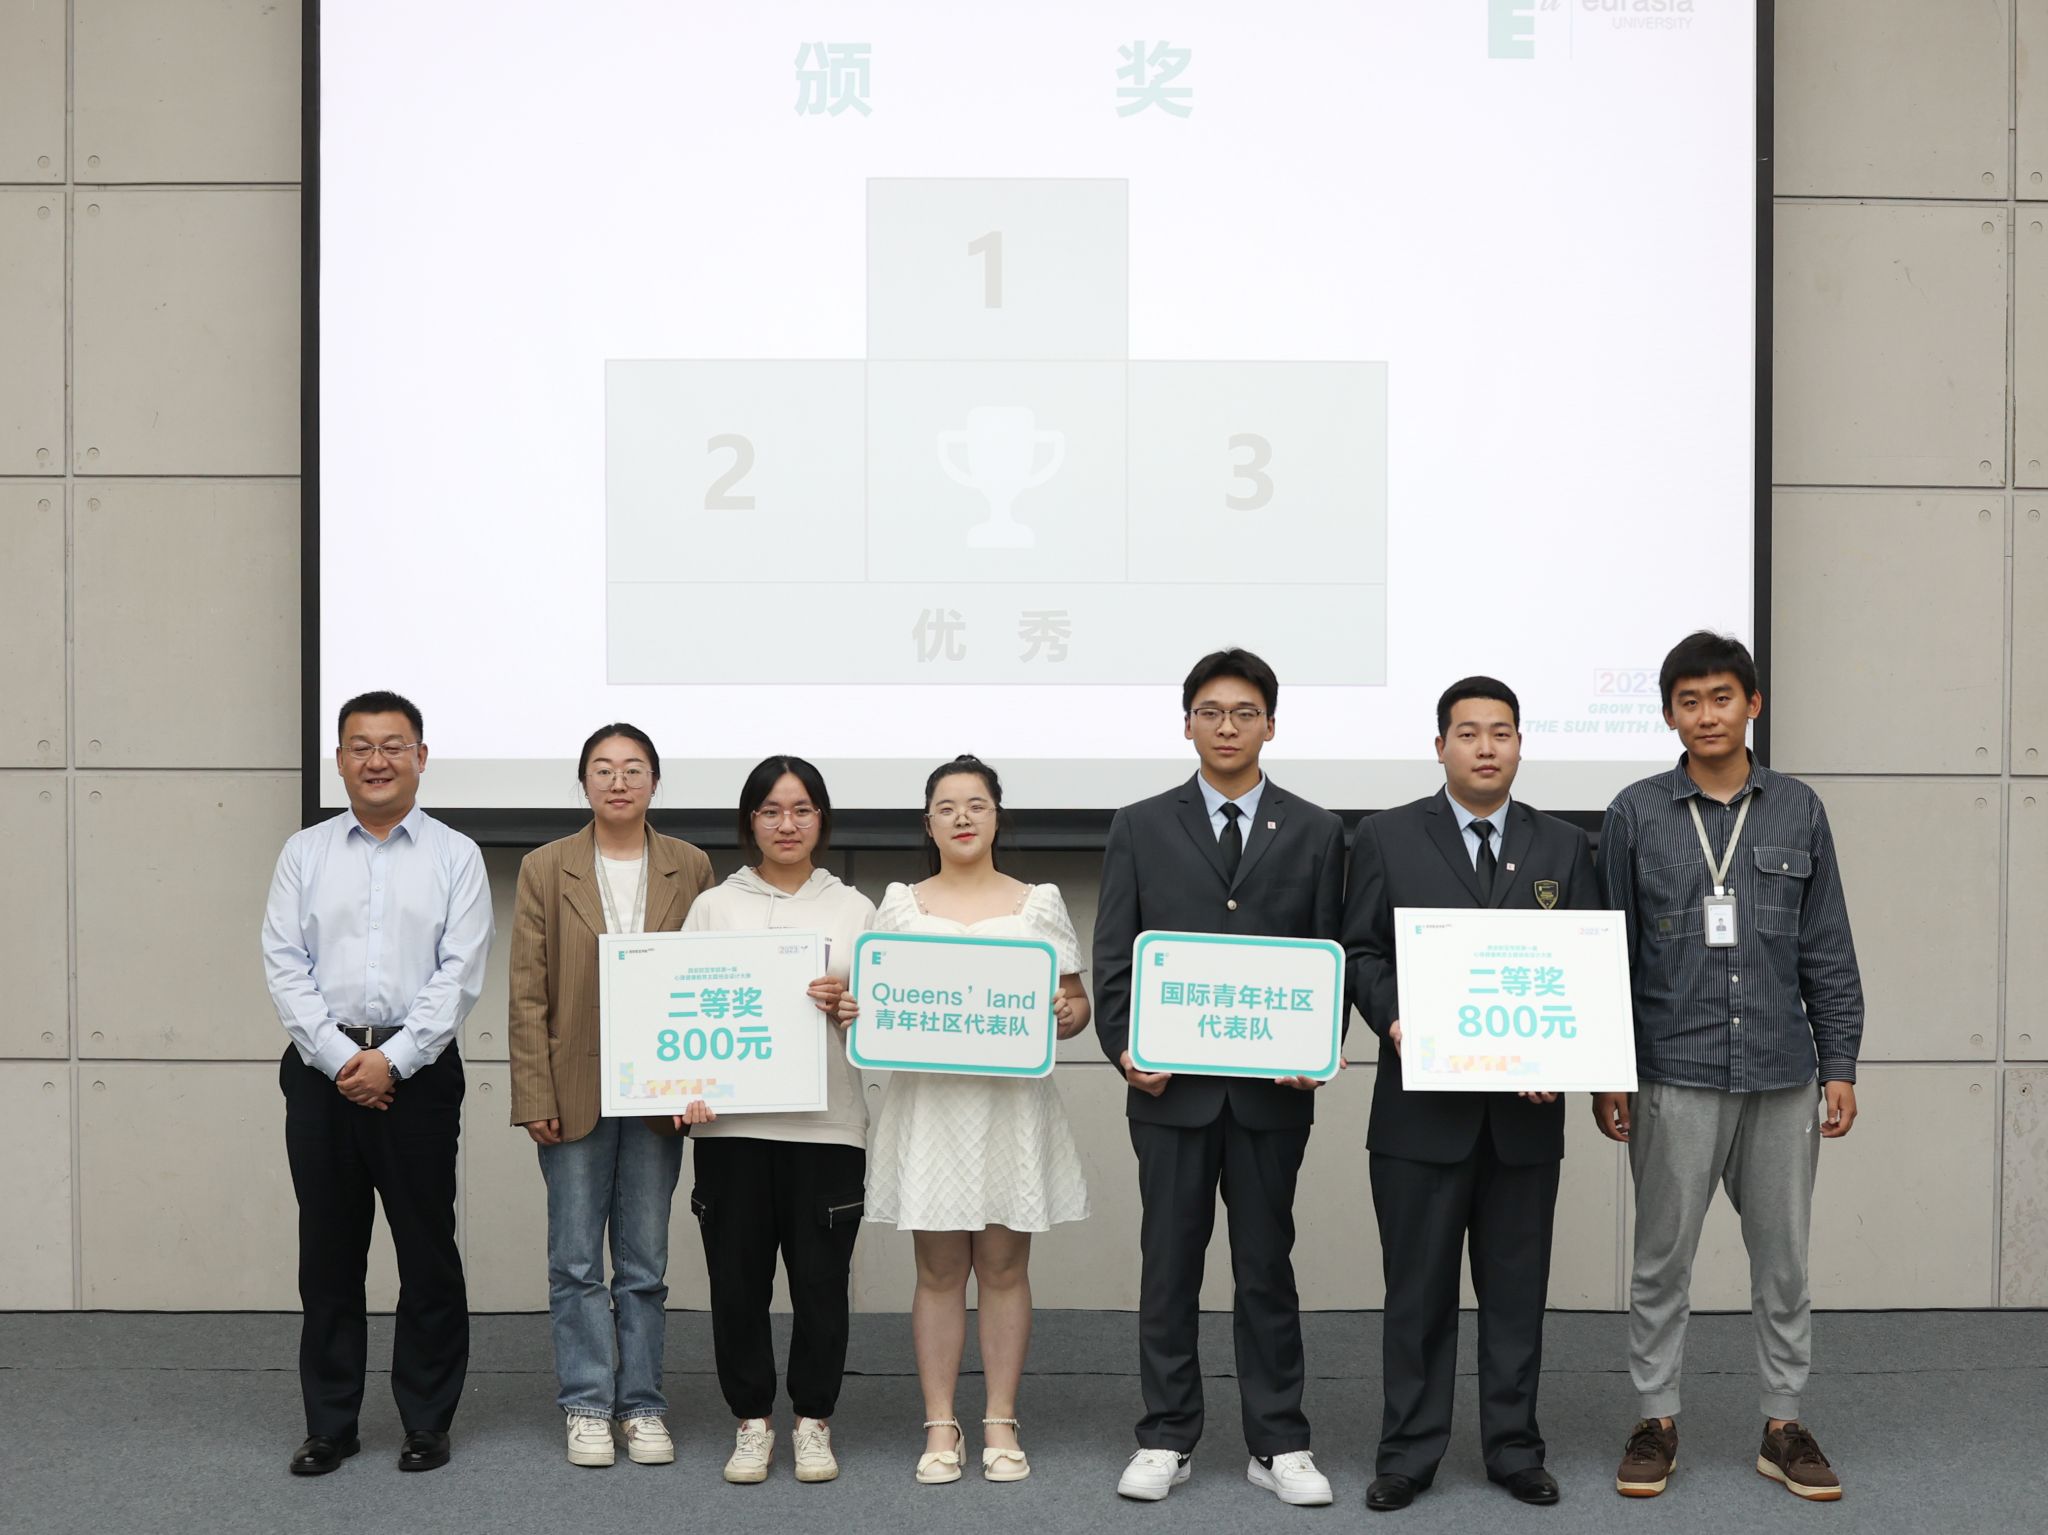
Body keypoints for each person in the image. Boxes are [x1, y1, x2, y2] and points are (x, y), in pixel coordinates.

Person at [1595, 632, 1863, 1503]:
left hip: (1782, 1073)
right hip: (1672, 1071)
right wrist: (1608, 1070)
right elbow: (1609, 956)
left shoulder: (1798, 809)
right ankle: (1656, 1420)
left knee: (1783, 1262)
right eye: (1688, 701)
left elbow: (1827, 947)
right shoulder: (1634, 812)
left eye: (1721, 697)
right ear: (1668, 714)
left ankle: (1784, 1423)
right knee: (1660, 1260)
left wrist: (1839, 1061)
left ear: (1753, 703)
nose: (1706, 714)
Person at [1093, 649, 1346, 1508]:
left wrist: (1317, 1047)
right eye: (1210, 711)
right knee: (1168, 1266)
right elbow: (1115, 955)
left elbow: (1328, 956)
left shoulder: (1316, 829)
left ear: (1270, 723)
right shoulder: (1140, 824)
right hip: (1170, 1093)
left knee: (1266, 1265)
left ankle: (1279, 1440)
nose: (1227, 726)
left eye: (1243, 712)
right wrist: (1124, 1049)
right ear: (1187, 723)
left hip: (1271, 1095)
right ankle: (1166, 1435)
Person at [1341, 677, 1599, 1512]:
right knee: (1416, 1294)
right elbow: (1361, 952)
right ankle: (1407, 1453)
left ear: (1520, 744)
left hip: (1524, 1118)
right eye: (1468, 732)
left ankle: (1515, 1449)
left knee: (1516, 1295)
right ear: (1440, 745)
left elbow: (1587, 964)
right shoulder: (1384, 836)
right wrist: (1397, 1018)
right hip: (1420, 1116)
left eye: (1501, 732)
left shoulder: (1566, 845)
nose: (1486, 746)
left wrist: (1563, 1049)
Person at [262, 690, 493, 1477]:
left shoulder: (456, 855)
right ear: (339, 759)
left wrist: (391, 1060)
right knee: (328, 1253)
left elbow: (460, 973)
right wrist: (340, 1058)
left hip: (418, 1076)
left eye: (393, 745)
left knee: (427, 1252)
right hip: (321, 1073)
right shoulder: (304, 853)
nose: (377, 760)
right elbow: (284, 964)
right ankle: (331, 1424)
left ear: (421, 757)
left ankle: (426, 1420)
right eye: (361, 746)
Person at [858, 754, 1092, 1485]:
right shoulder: (899, 907)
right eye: (947, 807)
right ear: (927, 823)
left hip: (1009, 1106)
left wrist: (1067, 1013)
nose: (962, 817)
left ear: (997, 816)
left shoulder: (1038, 903)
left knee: (1003, 1266)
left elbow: (1076, 1004)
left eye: (976, 804)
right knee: (937, 1270)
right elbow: (875, 999)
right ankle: (939, 1422)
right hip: (931, 1107)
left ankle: (999, 1418)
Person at [507, 724, 714, 1469]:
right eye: (603, 768)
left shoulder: (691, 865)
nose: (618, 781)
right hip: (573, 1089)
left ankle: (643, 1404)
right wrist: (534, 1090)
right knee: (574, 1261)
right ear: (584, 782)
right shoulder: (545, 866)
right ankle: (588, 1403)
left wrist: (703, 1082)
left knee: (645, 1264)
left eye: (632, 769)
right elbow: (527, 990)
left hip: (661, 1089)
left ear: (655, 781)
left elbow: (710, 979)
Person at [678, 756, 876, 1485]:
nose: (786, 824)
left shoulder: (856, 910)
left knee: (821, 1285)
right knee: (736, 1284)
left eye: (800, 809)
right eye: (770, 810)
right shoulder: (714, 906)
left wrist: (852, 1010)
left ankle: (814, 1421)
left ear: (821, 819)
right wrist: (684, 1085)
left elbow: (884, 1026)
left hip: (827, 1126)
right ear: (749, 821)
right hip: (731, 1129)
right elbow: (679, 1008)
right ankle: (752, 1421)